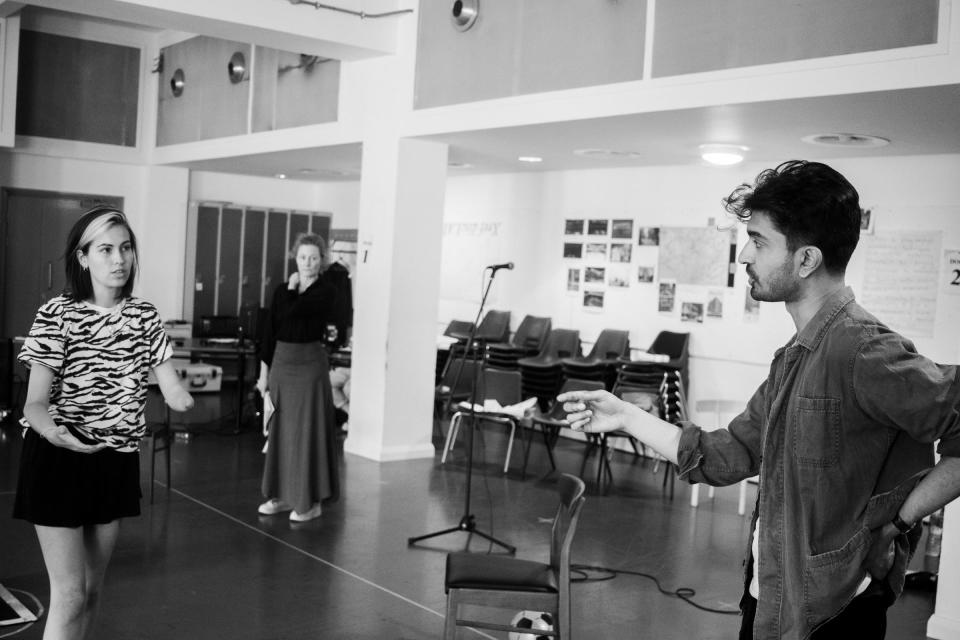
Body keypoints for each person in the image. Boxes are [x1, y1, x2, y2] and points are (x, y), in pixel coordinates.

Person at [560, 160, 960, 640]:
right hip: (770, 600)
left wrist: (896, 524)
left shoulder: (864, 351)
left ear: (806, 260)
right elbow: (725, 456)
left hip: (832, 614)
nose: (744, 255)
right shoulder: (794, 357)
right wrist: (626, 416)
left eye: (759, 241)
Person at [14, 205, 194, 640]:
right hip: (58, 458)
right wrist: (53, 432)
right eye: (106, 249)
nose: (119, 259)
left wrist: (178, 395)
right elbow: (35, 403)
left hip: (115, 460)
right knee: (70, 595)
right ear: (82, 257)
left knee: (93, 592)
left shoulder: (144, 316)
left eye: (126, 248)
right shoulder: (57, 315)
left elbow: (167, 380)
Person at [255, 233, 341, 522]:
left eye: (314, 258)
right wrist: (263, 373)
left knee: (305, 433)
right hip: (282, 363)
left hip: (308, 366)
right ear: (295, 258)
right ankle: (280, 495)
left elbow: (295, 313)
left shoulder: (325, 290)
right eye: (303, 257)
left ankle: (309, 502)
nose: (308, 263)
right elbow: (270, 331)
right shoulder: (282, 290)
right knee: (280, 432)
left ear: (322, 261)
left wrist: (293, 289)